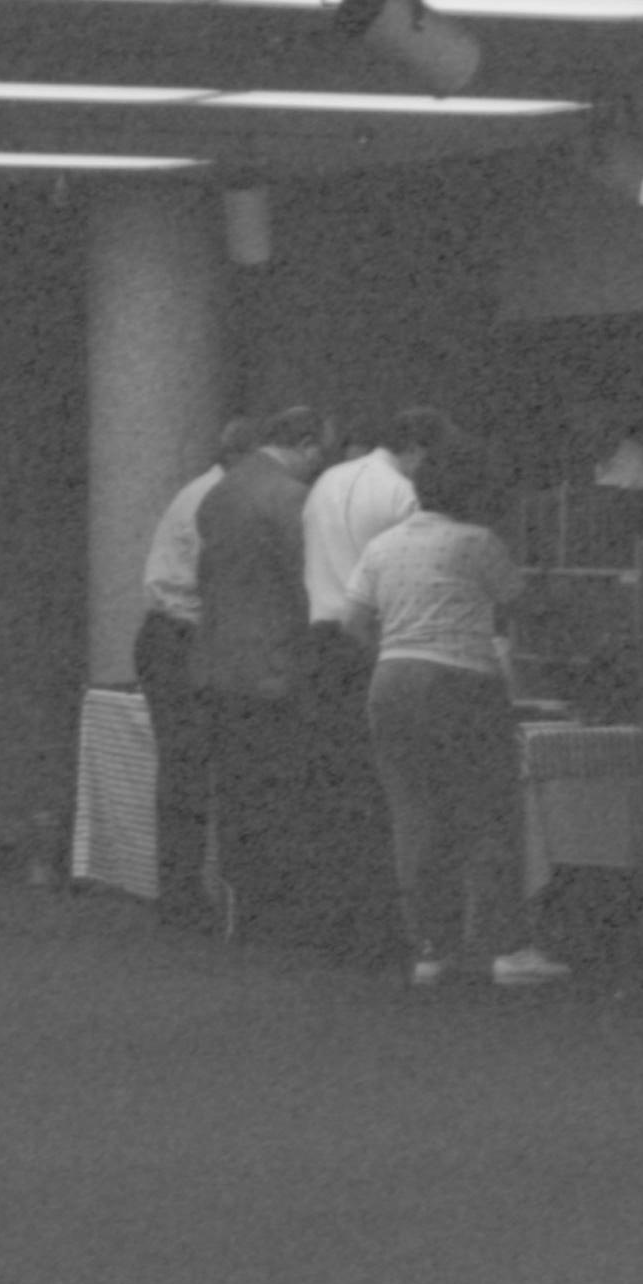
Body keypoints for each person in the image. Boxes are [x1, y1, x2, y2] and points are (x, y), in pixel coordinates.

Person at [345, 433, 568, 990]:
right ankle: (504, 948)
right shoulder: (478, 543)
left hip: (390, 681)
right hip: (461, 681)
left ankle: (429, 947)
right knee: (487, 814)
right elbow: (527, 611)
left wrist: (395, 651)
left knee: (414, 816)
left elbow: (354, 622)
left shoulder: (383, 545)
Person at [301, 408, 455, 961]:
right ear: (415, 448)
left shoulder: (325, 481)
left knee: (333, 786)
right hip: (373, 644)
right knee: (390, 792)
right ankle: (387, 925)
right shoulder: (401, 496)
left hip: (319, 644)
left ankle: (332, 920)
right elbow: (408, 579)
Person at [183, 405, 330, 940]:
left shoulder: (221, 491)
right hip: (275, 661)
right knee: (281, 789)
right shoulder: (290, 497)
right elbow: (306, 581)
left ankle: (240, 905)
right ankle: (282, 909)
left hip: (220, 659)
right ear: (307, 444)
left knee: (238, 789)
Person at [133, 418, 246, 933]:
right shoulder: (218, 501)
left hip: (169, 635)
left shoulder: (203, 490)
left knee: (183, 769)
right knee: (186, 769)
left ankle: (180, 889)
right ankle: (181, 894)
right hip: (182, 638)